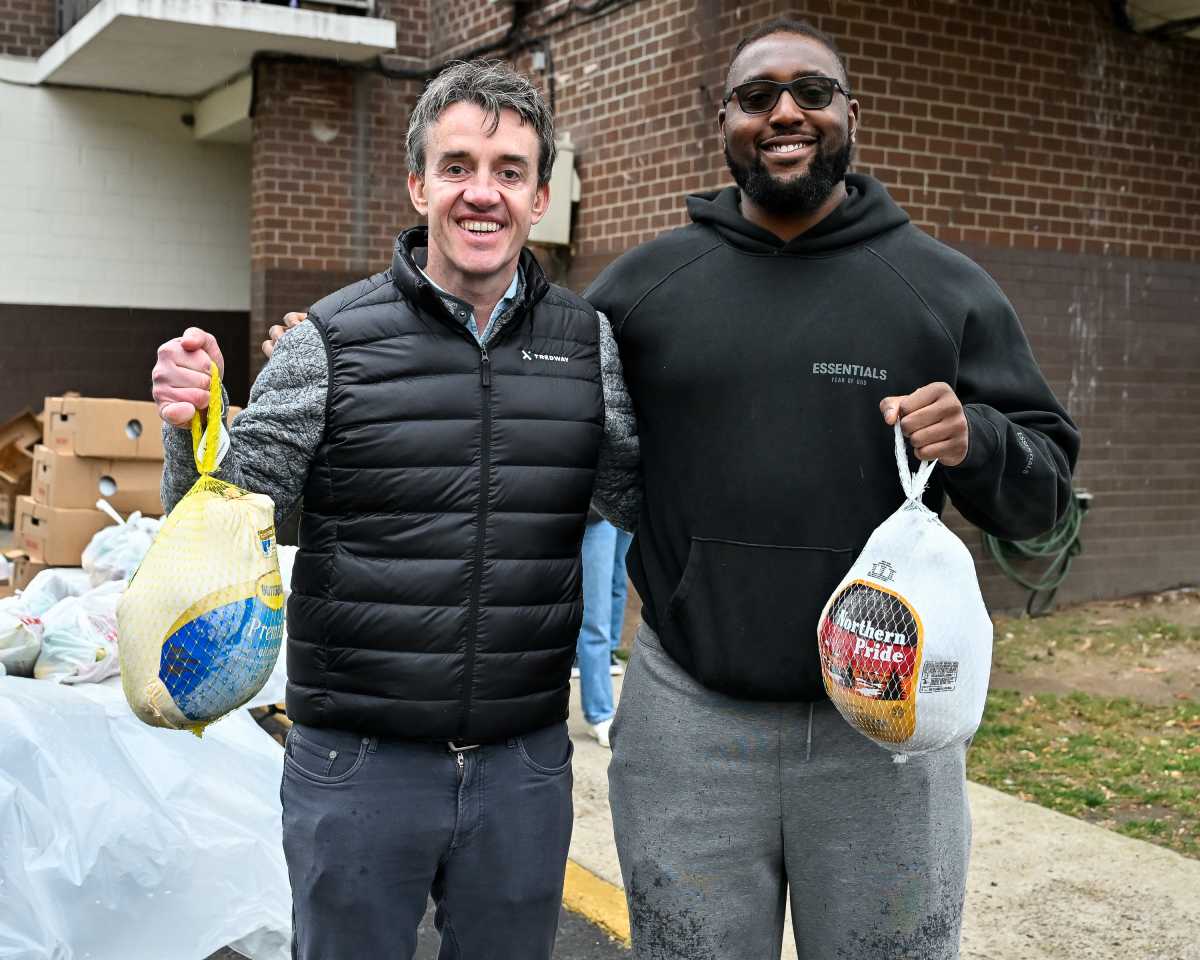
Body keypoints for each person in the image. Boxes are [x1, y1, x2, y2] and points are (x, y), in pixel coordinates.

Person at [584, 19, 1080, 960]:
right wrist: (347, 367)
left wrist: (979, 440)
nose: (785, 112)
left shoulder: (943, 290)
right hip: (690, 723)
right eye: (756, 95)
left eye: (812, 92)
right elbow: (528, 415)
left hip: (883, 737)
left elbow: (1047, 495)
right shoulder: (642, 291)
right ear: (721, 119)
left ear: (852, 113)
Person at [151, 60, 637, 960]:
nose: (480, 194)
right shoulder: (329, 341)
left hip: (522, 769)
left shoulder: (586, 343)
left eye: (508, 171)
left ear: (539, 198)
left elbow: (639, 497)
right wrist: (190, 422)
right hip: (358, 767)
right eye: (456, 167)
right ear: (418, 185)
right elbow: (215, 526)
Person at [574, 509, 634, 747]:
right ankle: (599, 711)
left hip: (615, 505)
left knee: (616, 587)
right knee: (595, 615)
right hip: (590, 509)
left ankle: (600, 708)